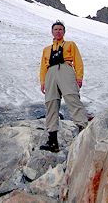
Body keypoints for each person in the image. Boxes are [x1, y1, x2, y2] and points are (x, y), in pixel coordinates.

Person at [39, 20, 88, 152]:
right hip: (50, 73)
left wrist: (79, 77)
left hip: (65, 69)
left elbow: (78, 61)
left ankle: (84, 132)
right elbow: (43, 67)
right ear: (52, 32)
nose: (58, 31)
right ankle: (52, 141)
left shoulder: (70, 45)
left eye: (60, 29)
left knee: (72, 98)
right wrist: (43, 81)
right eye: (56, 29)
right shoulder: (46, 50)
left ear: (64, 32)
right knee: (51, 103)